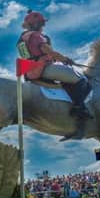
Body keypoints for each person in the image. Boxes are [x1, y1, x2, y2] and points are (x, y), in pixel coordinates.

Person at [16, 9, 92, 140]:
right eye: (41, 24)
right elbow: (49, 52)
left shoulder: (22, 39)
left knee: (67, 81)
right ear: (36, 25)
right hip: (42, 68)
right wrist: (65, 59)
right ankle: (78, 108)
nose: (43, 26)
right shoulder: (35, 36)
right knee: (81, 80)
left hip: (28, 71)